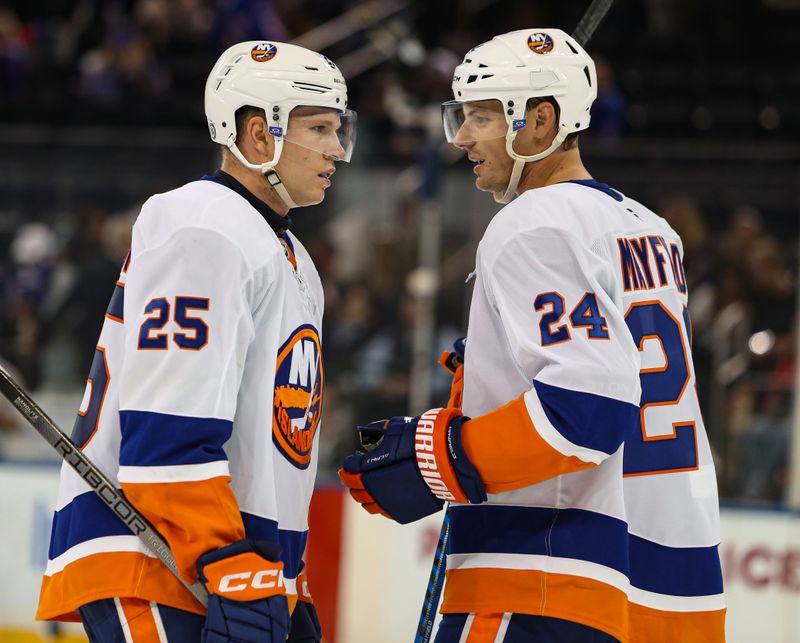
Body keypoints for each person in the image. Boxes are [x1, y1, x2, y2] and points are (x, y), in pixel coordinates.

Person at [340, 28, 724, 643]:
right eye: (461, 117)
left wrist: (442, 460)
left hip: (549, 579)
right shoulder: (650, 228)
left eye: (482, 117)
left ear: (540, 121)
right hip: (673, 591)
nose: (462, 138)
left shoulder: (530, 222)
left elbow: (588, 408)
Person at [37, 40, 356, 642]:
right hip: (161, 557)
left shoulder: (289, 253)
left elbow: (272, 445)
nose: (338, 150)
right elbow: (167, 430)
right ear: (261, 134)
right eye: (320, 128)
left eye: (339, 130)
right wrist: (227, 562)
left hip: (229, 566)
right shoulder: (204, 224)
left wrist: (290, 583)